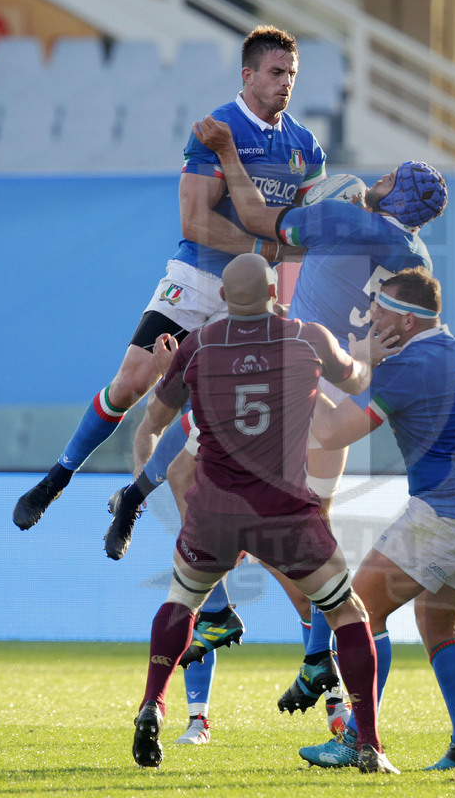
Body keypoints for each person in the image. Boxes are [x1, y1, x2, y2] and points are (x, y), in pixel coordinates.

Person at [184, 114, 448, 718]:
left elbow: (256, 221)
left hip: (290, 385)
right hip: (348, 394)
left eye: (389, 177)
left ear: (393, 190)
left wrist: (226, 150)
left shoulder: (347, 218)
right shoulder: (417, 257)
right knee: (314, 537)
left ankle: (230, 622)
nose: (377, 178)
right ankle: (316, 663)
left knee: (198, 486)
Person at [13, 24, 325, 532]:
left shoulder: (305, 147)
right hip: (196, 277)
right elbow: (195, 222)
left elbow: (301, 239)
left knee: (208, 419)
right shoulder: (217, 128)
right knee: (131, 382)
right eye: (275, 72)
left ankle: (136, 497)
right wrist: (266, 247)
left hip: (247, 298)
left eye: (291, 74)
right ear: (247, 75)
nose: (285, 82)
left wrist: (284, 293)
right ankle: (58, 477)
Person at [130, 252, 399, 774]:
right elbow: (354, 378)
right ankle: (367, 742)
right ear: (275, 293)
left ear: (225, 300)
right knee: (348, 614)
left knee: (182, 602)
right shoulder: (309, 337)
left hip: (214, 513)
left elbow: (151, 427)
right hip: (285, 514)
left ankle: (152, 705)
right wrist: (366, 353)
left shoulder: (198, 345)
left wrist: (148, 486)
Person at [294, 268, 455, 770]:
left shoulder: (408, 366)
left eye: (382, 310)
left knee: (357, 610)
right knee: (437, 620)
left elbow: (328, 432)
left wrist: (303, 376)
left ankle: (359, 740)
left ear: (409, 321)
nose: (372, 316)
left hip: (446, 510)